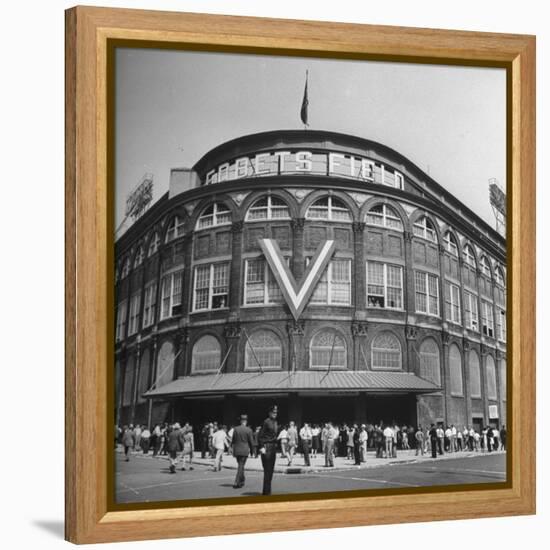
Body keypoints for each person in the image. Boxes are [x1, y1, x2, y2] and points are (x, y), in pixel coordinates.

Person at [258, 405, 279, 495]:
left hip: (273, 447)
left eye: (276, 412)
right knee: (267, 470)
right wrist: (262, 447)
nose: (275, 414)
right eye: (273, 412)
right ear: (269, 413)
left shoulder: (275, 422)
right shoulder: (266, 422)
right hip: (267, 447)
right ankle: (266, 492)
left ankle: (267, 491)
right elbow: (260, 436)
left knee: (271, 470)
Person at [231, 414, 254, 488]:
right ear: (246, 421)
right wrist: (252, 452)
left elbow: (233, 440)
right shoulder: (249, 430)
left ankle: (242, 480)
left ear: (241, 421)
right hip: (244, 450)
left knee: (241, 465)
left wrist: (232, 449)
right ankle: (237, 481)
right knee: (241, 465)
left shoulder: (236, 429)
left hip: (237, 450)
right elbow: (251, 442)